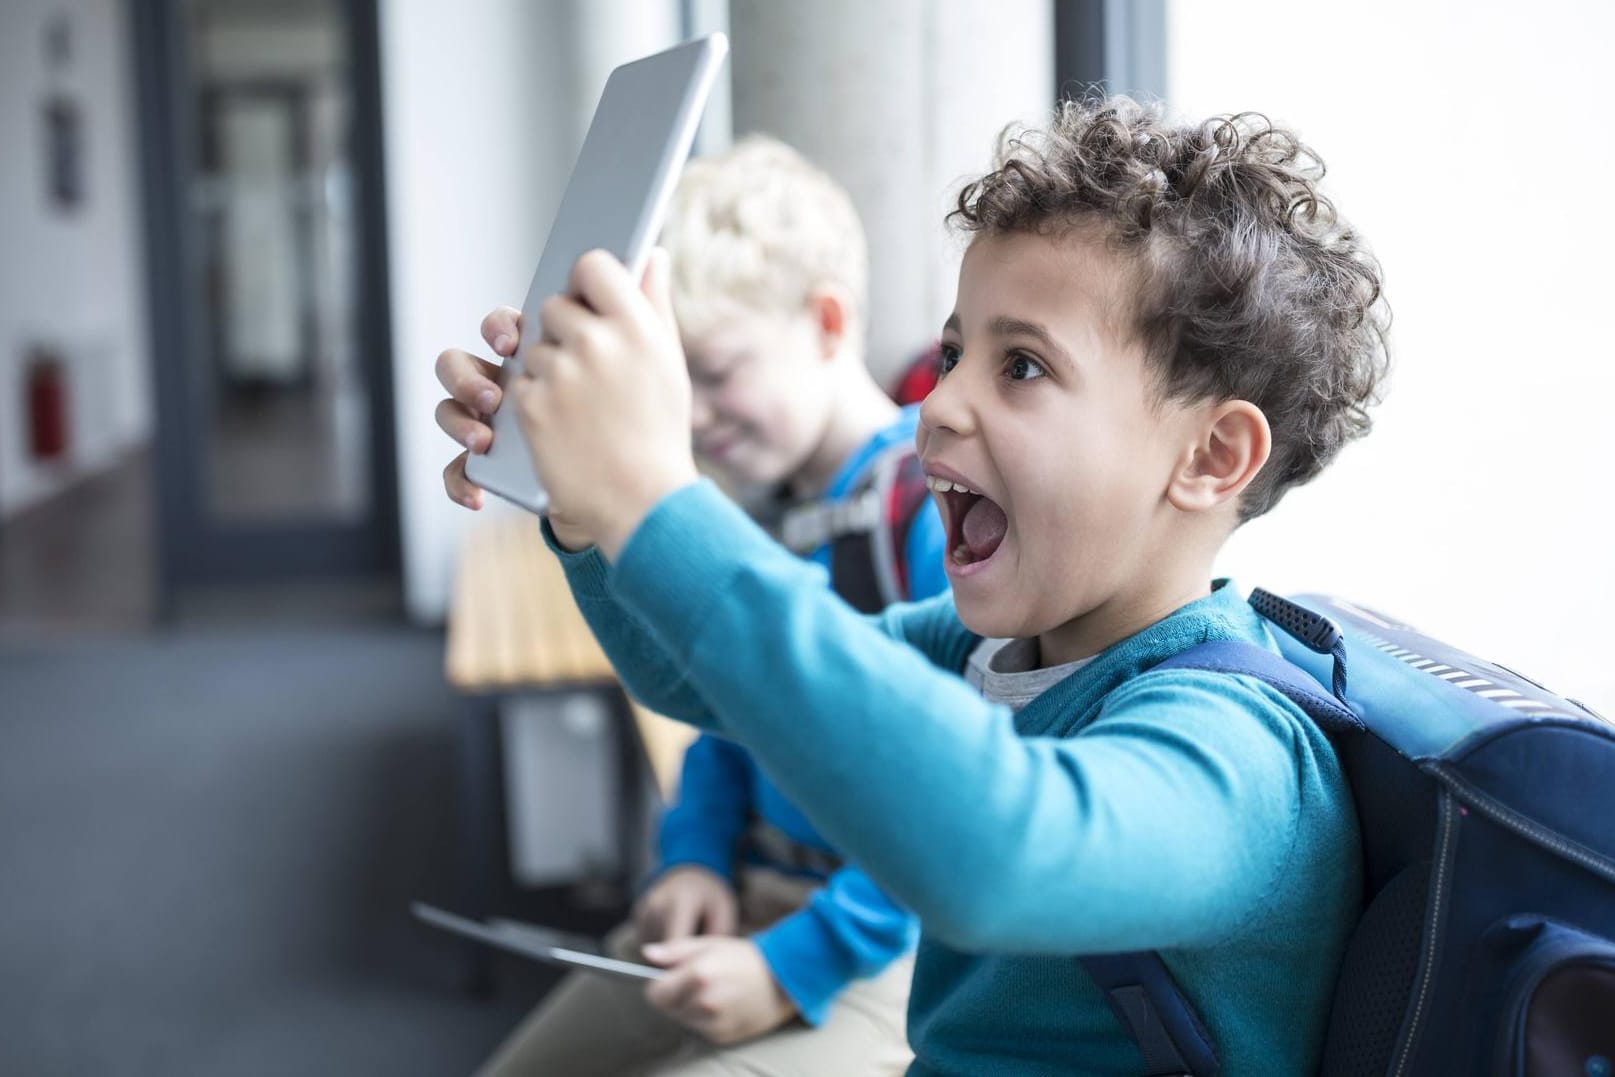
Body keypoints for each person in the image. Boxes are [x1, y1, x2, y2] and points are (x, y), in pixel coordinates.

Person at [438, 96, 1391, 1074]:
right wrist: (589, 510)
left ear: (1212, 455)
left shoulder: (1239, 748)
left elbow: (999, 855)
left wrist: (654, 495)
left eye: (1020, 365)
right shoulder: (989, 648)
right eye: (951, 354)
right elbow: (694, 682)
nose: (937, 404)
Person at [442, 136, 946, 1076]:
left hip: (885, 941)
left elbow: (954, 802)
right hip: (752, 890)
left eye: (715, 371)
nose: (695, 412)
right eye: (679, 381)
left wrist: (792, 961)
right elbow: (730, 713)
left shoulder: (929, 512)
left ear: (827, 322)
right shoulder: (751, 505)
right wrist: (692, 858)